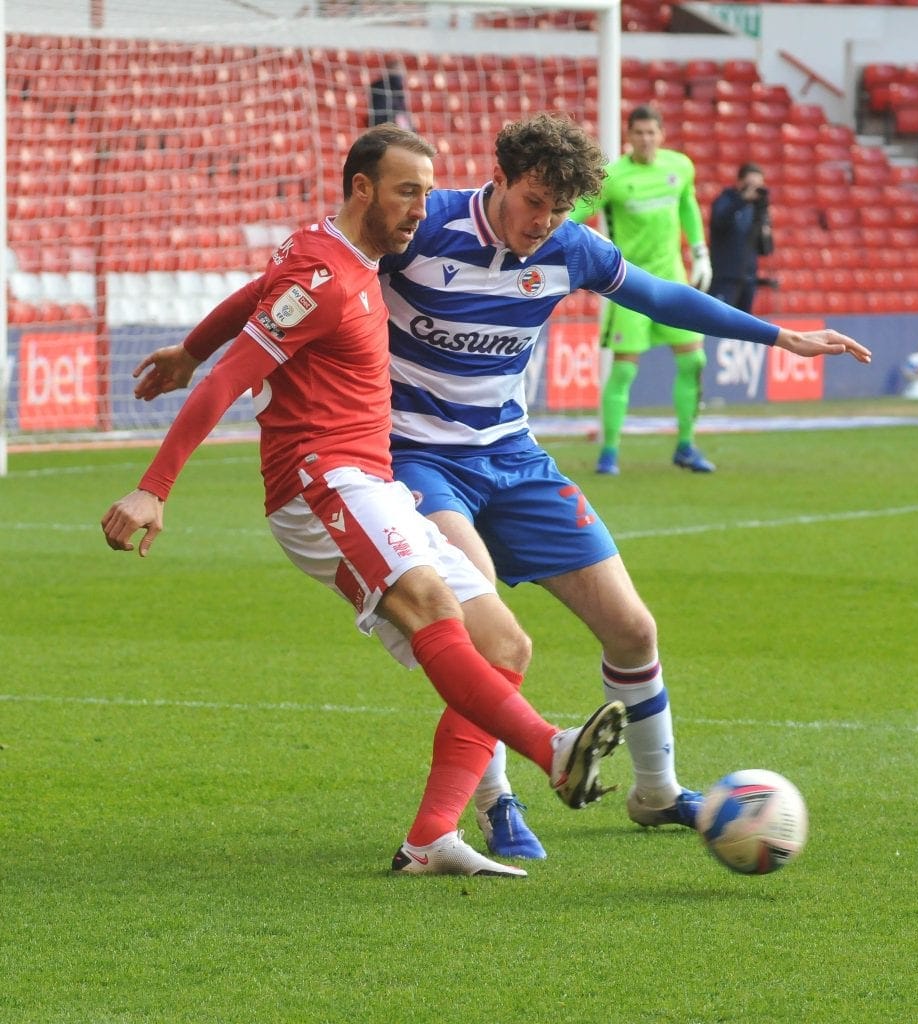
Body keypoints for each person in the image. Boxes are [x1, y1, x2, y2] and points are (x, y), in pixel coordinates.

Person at [132, 113, 872, 864]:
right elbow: (281, 289)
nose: (542, 222)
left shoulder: (569, 248)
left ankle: (656, 792)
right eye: (533, 202)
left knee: (633, 628)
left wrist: (778, 334)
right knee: (476, 617)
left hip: (511, 456)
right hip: (416, 459)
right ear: (502, 179)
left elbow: (661, 296)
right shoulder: (421, 223)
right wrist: (194, 352)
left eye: (558, 209)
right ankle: (496, 803)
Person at [101, 124, 628, 879]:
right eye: (407, 191)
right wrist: (154, 488)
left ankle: (431, 840)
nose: (422, 208)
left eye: (425, 190)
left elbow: (254, 298)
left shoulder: (346, 258)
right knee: (426, 603)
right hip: (319, 482)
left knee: (506, 645)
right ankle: (551, 748)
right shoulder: (324, 276)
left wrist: (188, 347)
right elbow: (230, 380)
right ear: (362, 189)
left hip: (372, 480)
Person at [569, 105, 717, 476]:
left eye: (652, 132)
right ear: (629, 136)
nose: (646, 139)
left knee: (693, 361)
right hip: (629, 286)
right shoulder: (614, 177)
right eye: (639, 133)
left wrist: (700, 252)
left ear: (661, 134)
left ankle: (686, 444)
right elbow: (577, 215)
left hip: (673, 283)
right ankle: (609, 452)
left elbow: (688, 205)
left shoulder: (679, 167)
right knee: (623, 373)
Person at [709, 162, 774, 314]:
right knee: (719, 319)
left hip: (749, 278)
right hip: (725, 277)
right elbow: (719, 222)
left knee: (744, 325)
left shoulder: (757, 209)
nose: (754, 190)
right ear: (739, 182)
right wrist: (742, 200)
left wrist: (763, 221)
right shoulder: (726, 200)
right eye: (750, 184)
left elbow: (766, 249)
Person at [368, 59, 413, 130]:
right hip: (386, 126)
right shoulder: (381, 87)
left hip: (391, 126)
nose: (402, 73)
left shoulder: (398, 89)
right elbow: (380, 112)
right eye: (399, 70)